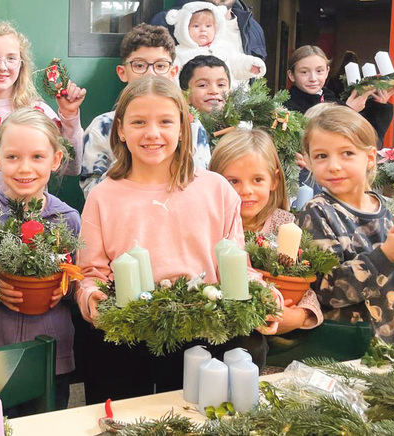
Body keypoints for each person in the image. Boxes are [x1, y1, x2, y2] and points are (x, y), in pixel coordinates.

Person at [75, 76, 280, 402]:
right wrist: (91, 298)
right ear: (121, 130)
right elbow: (91, 274)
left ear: (183, 128)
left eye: (165, 122)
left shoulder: (216, 190)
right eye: (139, 122)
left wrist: (262, 293)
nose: (152, 133)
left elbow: (238, 265)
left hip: (204, 334)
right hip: (129, 336)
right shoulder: (103, 197)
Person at [296, 106, 394, 342]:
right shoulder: (316, 213)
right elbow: (326, 290)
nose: (334, 165)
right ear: (310, 162)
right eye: (322, 156)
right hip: (346, 352)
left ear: (370, 158)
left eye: (347, 153)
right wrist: (385, 256)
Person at [0, 108, 80, 411]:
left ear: (56, 160)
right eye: (12, 157)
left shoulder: (67, 219)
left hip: (52, 354)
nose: (25, 168)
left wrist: (66, 289)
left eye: (37, 157)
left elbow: (79, 278)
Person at [0, 22, 85, 202]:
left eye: (11, 58)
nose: (2, 66)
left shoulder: (37, 110)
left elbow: (72, 167)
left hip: (30, 217)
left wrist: (70, 117)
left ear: (22, 63)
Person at [209, 128, 322, 333]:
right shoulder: (209, 226)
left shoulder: (284, 225)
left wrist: (299, 316)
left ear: (274, 180)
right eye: (233, 181)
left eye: (257, 180)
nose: (246, 190)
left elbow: (303, 281)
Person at [79, 24, 211, 197]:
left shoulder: (191, 125)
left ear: (173, 72)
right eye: (139, 66)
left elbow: (200, 187)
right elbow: (92, 192)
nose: (151, 74)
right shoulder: (101, 127)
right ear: (122, 72)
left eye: (161, 66)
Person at [283, 45, 394, 140]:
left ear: (327, 71)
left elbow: (370, 140)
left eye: (319, 71)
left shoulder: (334, 99)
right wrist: (348, 111)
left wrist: (379, 105)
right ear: (291, 75)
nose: (313, 78)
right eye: (304, 72)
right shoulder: (285, 108)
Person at [163, 1, 265, 84]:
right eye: (196, 26)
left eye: (208, 26)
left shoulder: (223, 47)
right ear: (183, 28)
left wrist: (249, 66)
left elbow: (236, 62)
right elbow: (173, 78)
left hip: (227, 101)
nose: (203, 30)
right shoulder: (179, 54)